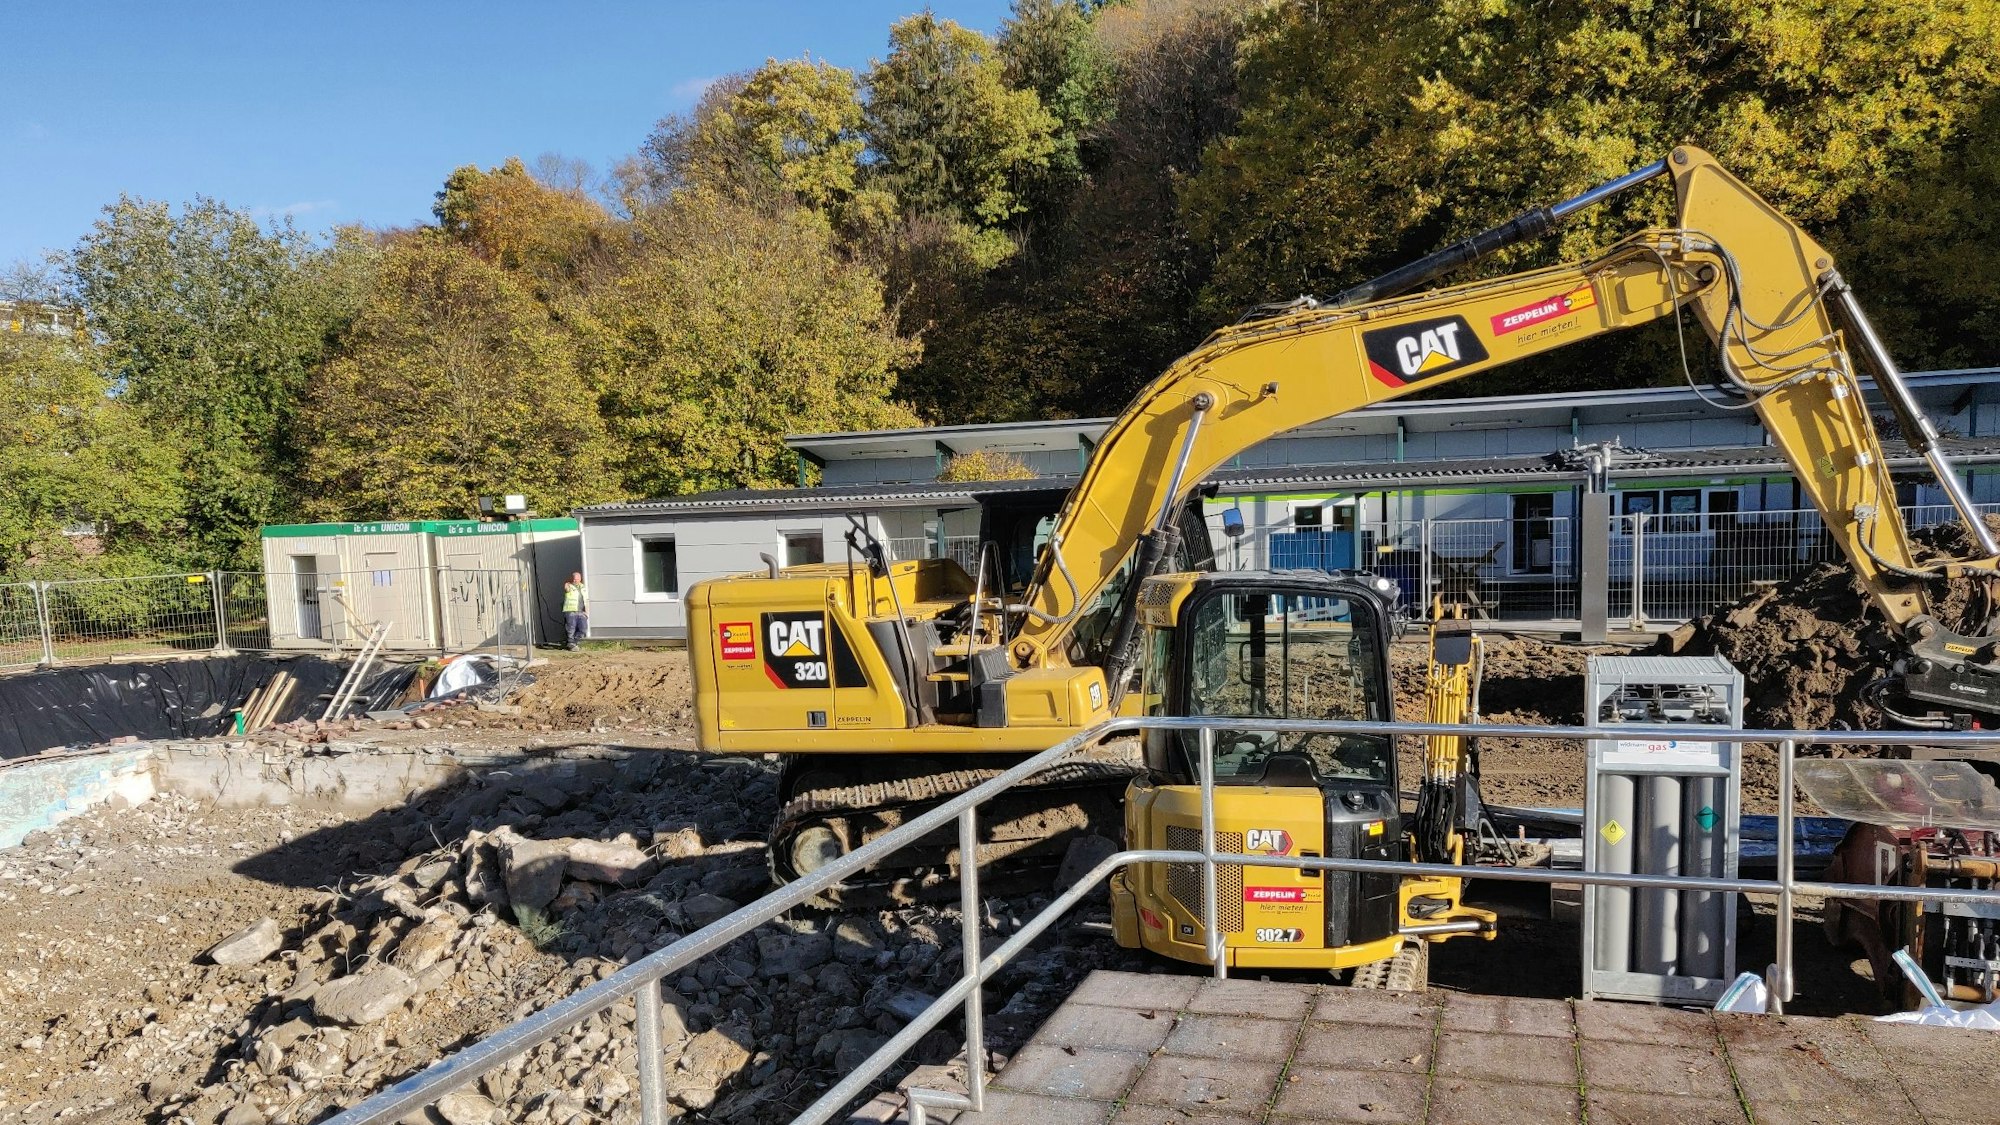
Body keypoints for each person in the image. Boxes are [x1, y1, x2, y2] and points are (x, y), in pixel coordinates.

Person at [562, 572, 588, 650]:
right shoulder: (569, 586)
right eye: (574, 579)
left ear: (580, 579)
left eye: (576, 579)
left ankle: (574, 643)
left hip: (581, 612)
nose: (575, 580)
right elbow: (567, 590)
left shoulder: (583, 587)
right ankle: (571, 643)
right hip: (570, 611)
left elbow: (586, 600)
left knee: (583, 629)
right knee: (571, 629)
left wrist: (587, 612)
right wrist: (566, 585)